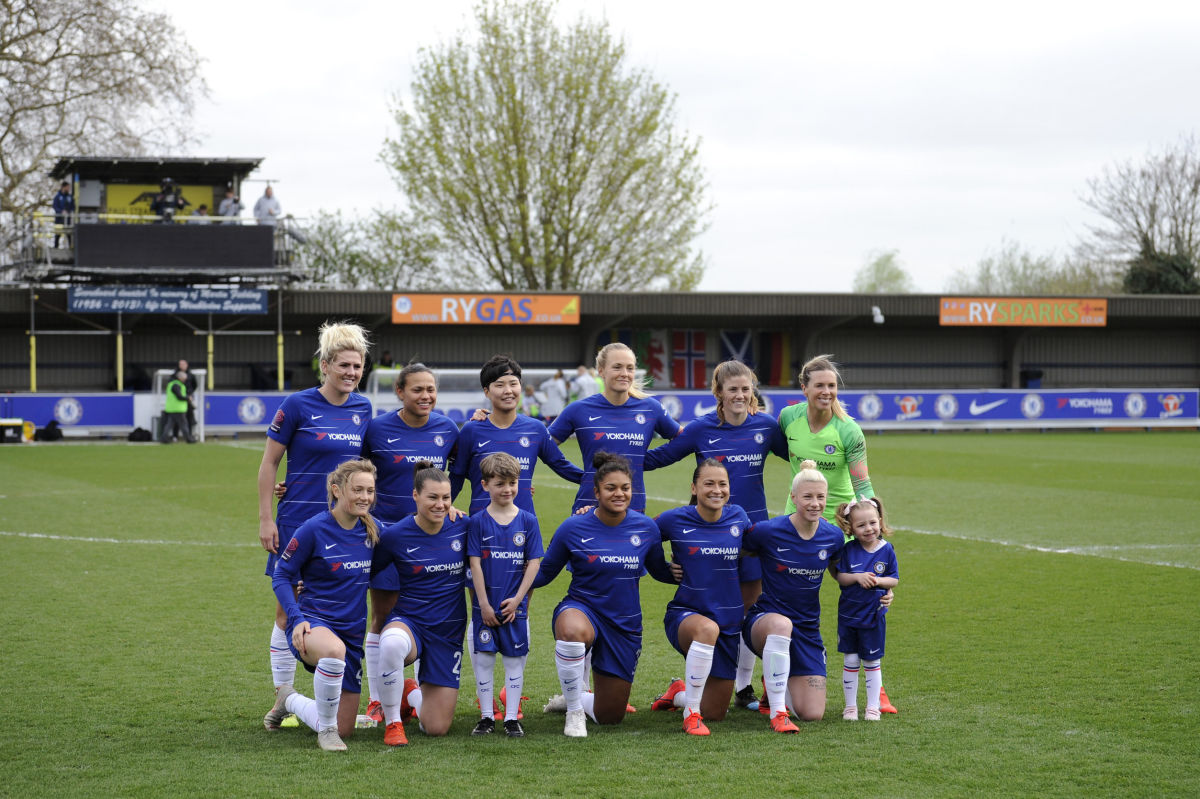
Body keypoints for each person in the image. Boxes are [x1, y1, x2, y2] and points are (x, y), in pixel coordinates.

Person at [643, 359, 788, 709]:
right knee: (711, 610)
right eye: (732, 389)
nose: (740, 395)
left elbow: (801, 454)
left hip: (750, 535)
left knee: (747, 612)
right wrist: (613, 461)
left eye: (745, 389)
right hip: (706, 536)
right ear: (719, 393)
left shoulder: (766, 427)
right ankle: (697, 683)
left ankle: (743, 687)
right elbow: (660, 457)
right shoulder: (700, 429)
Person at [258, 322, 371, 716]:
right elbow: (270, 462)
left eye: (357, 366)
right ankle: (284, 693)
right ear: (324, 366)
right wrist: (265, 518)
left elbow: (368, 467)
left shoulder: (363, 408)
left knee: (344, 602)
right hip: (296, 521)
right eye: (343, 365)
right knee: (287, 608)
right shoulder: (296, 405)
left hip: (344, 527)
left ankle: (334, 694)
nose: (351, 373)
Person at [779, 354, 896, 714]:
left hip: (842, 522)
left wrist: (872, 528)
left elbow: (862, 482)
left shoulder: (849, 430)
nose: (827, 391)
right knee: (788, 594)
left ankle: (878, 690)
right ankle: (778, 680)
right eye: (820, 385)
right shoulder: (788, 418)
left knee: (863, 594)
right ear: (804, 388)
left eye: (832, 386)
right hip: (797, 517)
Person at [531, 452, 677, 738]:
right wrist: (502, 577)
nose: (619, 493)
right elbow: (545, 572)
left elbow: (660, 571)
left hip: (624, 623)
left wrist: (706, 569)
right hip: (582, 608)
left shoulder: (646, 528)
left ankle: (574, 698)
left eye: (625, 488)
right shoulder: (573, 527)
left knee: (611, 717)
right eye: (611, 488)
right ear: (596, 492)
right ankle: (574, 711)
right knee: (573, 631)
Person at [358, 363, 460, 723]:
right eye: (417, 389)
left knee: (424, 614)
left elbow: (458, 473)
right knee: (383, 617)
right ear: (399, 392)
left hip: (431, 539)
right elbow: (354, 472)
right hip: (388, 536)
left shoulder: (448, 429)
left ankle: (417, 692)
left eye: (431, 389)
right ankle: (377, 700)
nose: (426, 396)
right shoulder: (377, 428)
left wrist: (446, 506)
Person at [263, 459, 378, 751]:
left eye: (370, 491)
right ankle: (325, 732)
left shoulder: (373, 531)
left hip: (352, 632)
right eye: (358, 490)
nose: (364, 497)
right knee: (333, 651)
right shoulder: (312, 529)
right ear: (337, 490)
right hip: (313, 624)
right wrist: (296, 617)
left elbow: (410, 531)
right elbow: (282, 575)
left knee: (347, 728)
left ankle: (288, 699)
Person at [647, 459, 752, 736]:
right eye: (709, 483)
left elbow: (761, 542)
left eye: (722, 484)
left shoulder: (739, 517)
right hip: (687, 615)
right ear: (694, 487)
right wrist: (663, 571)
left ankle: (678, 694)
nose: (716, 490)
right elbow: (640, 532)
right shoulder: (675, 519)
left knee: (716, 713)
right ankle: (690, 715)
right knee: (707, 628)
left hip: (729, 623)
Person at [740, 459, 844, 732]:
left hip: (807, 630)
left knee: (812, 714)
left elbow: (842, 575)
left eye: (820, 497)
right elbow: (734, 551)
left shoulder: (833, 537)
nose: (815, 503)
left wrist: (881, 590)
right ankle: (777, 712)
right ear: (793, 497)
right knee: (781, 624)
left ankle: (774, 683)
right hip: (765, 622)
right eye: (807, 497)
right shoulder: (768, 531)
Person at [372, 461, 470, 745]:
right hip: (410, 623)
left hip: (448, 633)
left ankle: (409, 693)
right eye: (433, 497)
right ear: (415, 496)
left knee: (436, 728)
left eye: (446, 498)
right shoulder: (395, 536)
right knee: (390, 644)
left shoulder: (463, 525)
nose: (440, 504)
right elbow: (364, 570)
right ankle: (393, 724)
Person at [548, 343, 680, 513]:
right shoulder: (578, 409)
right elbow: (544, 446)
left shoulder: (651, 408)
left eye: (630, 368)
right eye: (617, 367)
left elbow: (682, 440)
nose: (624, 374)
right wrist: (577, 475)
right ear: (601, 371)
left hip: (633, 506)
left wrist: (642, 461)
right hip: (588, 505)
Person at [467, 453, 544, 738]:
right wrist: (484, 604)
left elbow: (534, 563)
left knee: (514, 663)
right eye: (500, 483)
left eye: (512, 483)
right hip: (484, 610)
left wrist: (519, 600)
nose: (507, 489)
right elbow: (474, 563)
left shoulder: (527, 521)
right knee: (484, 663)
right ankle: (487, 717)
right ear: (485, 485)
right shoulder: (477, 522)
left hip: (516, 609)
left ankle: (511, 719)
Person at [451, 355, 583, 516]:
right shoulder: (471, 430)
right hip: (482, 526)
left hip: (524, 524)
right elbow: (457, 476)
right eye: (499, 385)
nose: (508, 391)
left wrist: (599, 480)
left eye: (513, 384)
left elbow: (561, 465)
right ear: (487, 391)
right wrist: (442, 506)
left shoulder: (536, 428)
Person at [834, 496, 898, 721]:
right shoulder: (848, 549)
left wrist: (879, 582)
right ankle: (850, 707)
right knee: (850, 660)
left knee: (871, 661)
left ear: (880, 520)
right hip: (849, 615)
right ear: (851, 528)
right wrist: (857, 577)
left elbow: (894, 580)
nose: (868, 529)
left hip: (873, 616)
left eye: (872, 522)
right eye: (861, 525)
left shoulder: (887, 550)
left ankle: (873, 706)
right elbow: (840, 577)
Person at [160, 369, 194, 443]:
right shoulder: (176, 385)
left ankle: (164, 438)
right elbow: (179, 396)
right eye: (184, 378)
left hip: (172, 408)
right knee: (184, 425)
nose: (185, 379)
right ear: (180, 378)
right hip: (178, 409)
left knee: (169, 424)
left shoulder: (173, 384)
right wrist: (188, 398)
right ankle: (189, 439)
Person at [178, 359, 199, 432]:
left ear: (187, 365)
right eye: (180, 364)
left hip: (188, 398)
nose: (182, 366)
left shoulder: (191, 375)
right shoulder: (175, 374)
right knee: (177, 418)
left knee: (189, 416)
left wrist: (190, 393)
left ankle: (189, 434)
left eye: (183, 364)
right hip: (179, 398)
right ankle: (175, 436)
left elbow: (195, 385)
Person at [52, 181, 73, 248]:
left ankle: (70, 247)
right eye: (68, 187)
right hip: (59, 219)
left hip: (67, 219)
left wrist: (69, 212)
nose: (69, 189)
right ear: (63, 187)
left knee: (68, 233)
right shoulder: (57, 197)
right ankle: (56, 247)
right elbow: (55, 206)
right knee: (58, 233)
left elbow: (73, 207)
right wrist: (61, 211)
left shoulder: (70, 197)